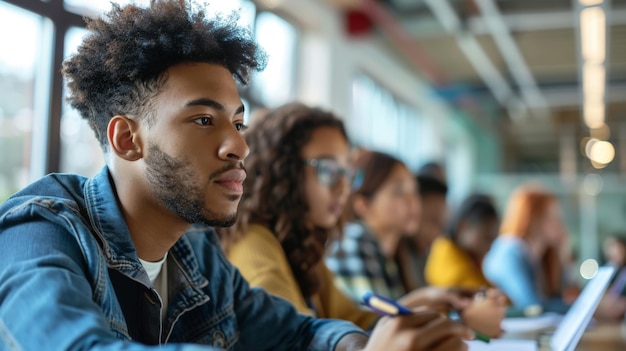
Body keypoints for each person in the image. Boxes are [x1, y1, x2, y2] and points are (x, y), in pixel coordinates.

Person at [0, 1, 476, 350]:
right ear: (127, 139)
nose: (240, 146)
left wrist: (362, 346)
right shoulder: (39, 232)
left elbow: (300, 333)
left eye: (239, 122)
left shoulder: (197, 252)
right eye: (204, 120)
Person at [221, 103, 378, 330]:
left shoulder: (299, 244)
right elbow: (294, 333)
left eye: (347, 172)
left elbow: (352, 317)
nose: (344, 187)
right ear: (283, 171)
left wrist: (408, 316)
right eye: (329, 169)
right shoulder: (251, 240)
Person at [326, 151, 505, 337]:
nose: (413, 202)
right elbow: (372, 329)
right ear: (363, 205)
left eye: (413, 191)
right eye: (399, 192)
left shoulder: (389, 251)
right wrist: (457, 319)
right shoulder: (354, 242)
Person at [482, 184, 571, 314]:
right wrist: (582, 308)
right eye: (552, 217)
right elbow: (531, 306)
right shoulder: (510, 250)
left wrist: (563, 254)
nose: (559, 224)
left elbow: (557, 297)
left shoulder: (539, 256)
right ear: (533, 217)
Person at [425, 194, 499, 290]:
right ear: (463, 227)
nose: (489, 247)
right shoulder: (444, 247)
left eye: (493, 240)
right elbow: (467, 289)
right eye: (485, 238)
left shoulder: (470, 256)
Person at [395, 175, 449, 292]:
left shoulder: (425, 256)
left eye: (441, 226)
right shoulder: (389, 254)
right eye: (432, 222)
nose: (437, 234)